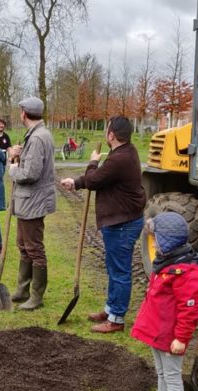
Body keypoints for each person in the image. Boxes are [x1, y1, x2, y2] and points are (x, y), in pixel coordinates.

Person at [59, 116, 147, 333]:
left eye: (107, 131)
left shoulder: (119, 159)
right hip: (121, 220)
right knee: (113, 267)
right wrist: (76, 183)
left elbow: (95, 179)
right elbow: (99, 179)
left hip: (123, 223)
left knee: (120, 270)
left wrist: (92, 162)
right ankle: (110, 309)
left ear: (111, 135)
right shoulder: (126, 152)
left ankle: (116, 319)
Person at [131, 212, 198, 391]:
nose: (153, 242)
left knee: (172, 376)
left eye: (156, 238)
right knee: (161, 372)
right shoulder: (166, 263)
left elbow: (190, 308)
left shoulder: (186, 271)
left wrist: (181, 338)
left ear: (169, 240)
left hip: (171, 335)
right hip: (157, 331)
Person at [6, 97, 56, 310]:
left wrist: (12, 168)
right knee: (23, 245)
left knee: (34, 248)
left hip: (33, 201)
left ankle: (36, 296)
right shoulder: (34, 135)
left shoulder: (38, 138)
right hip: (27, 202)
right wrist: (19, 154)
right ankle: (23, 289)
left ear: (24, 114)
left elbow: (31, 173)